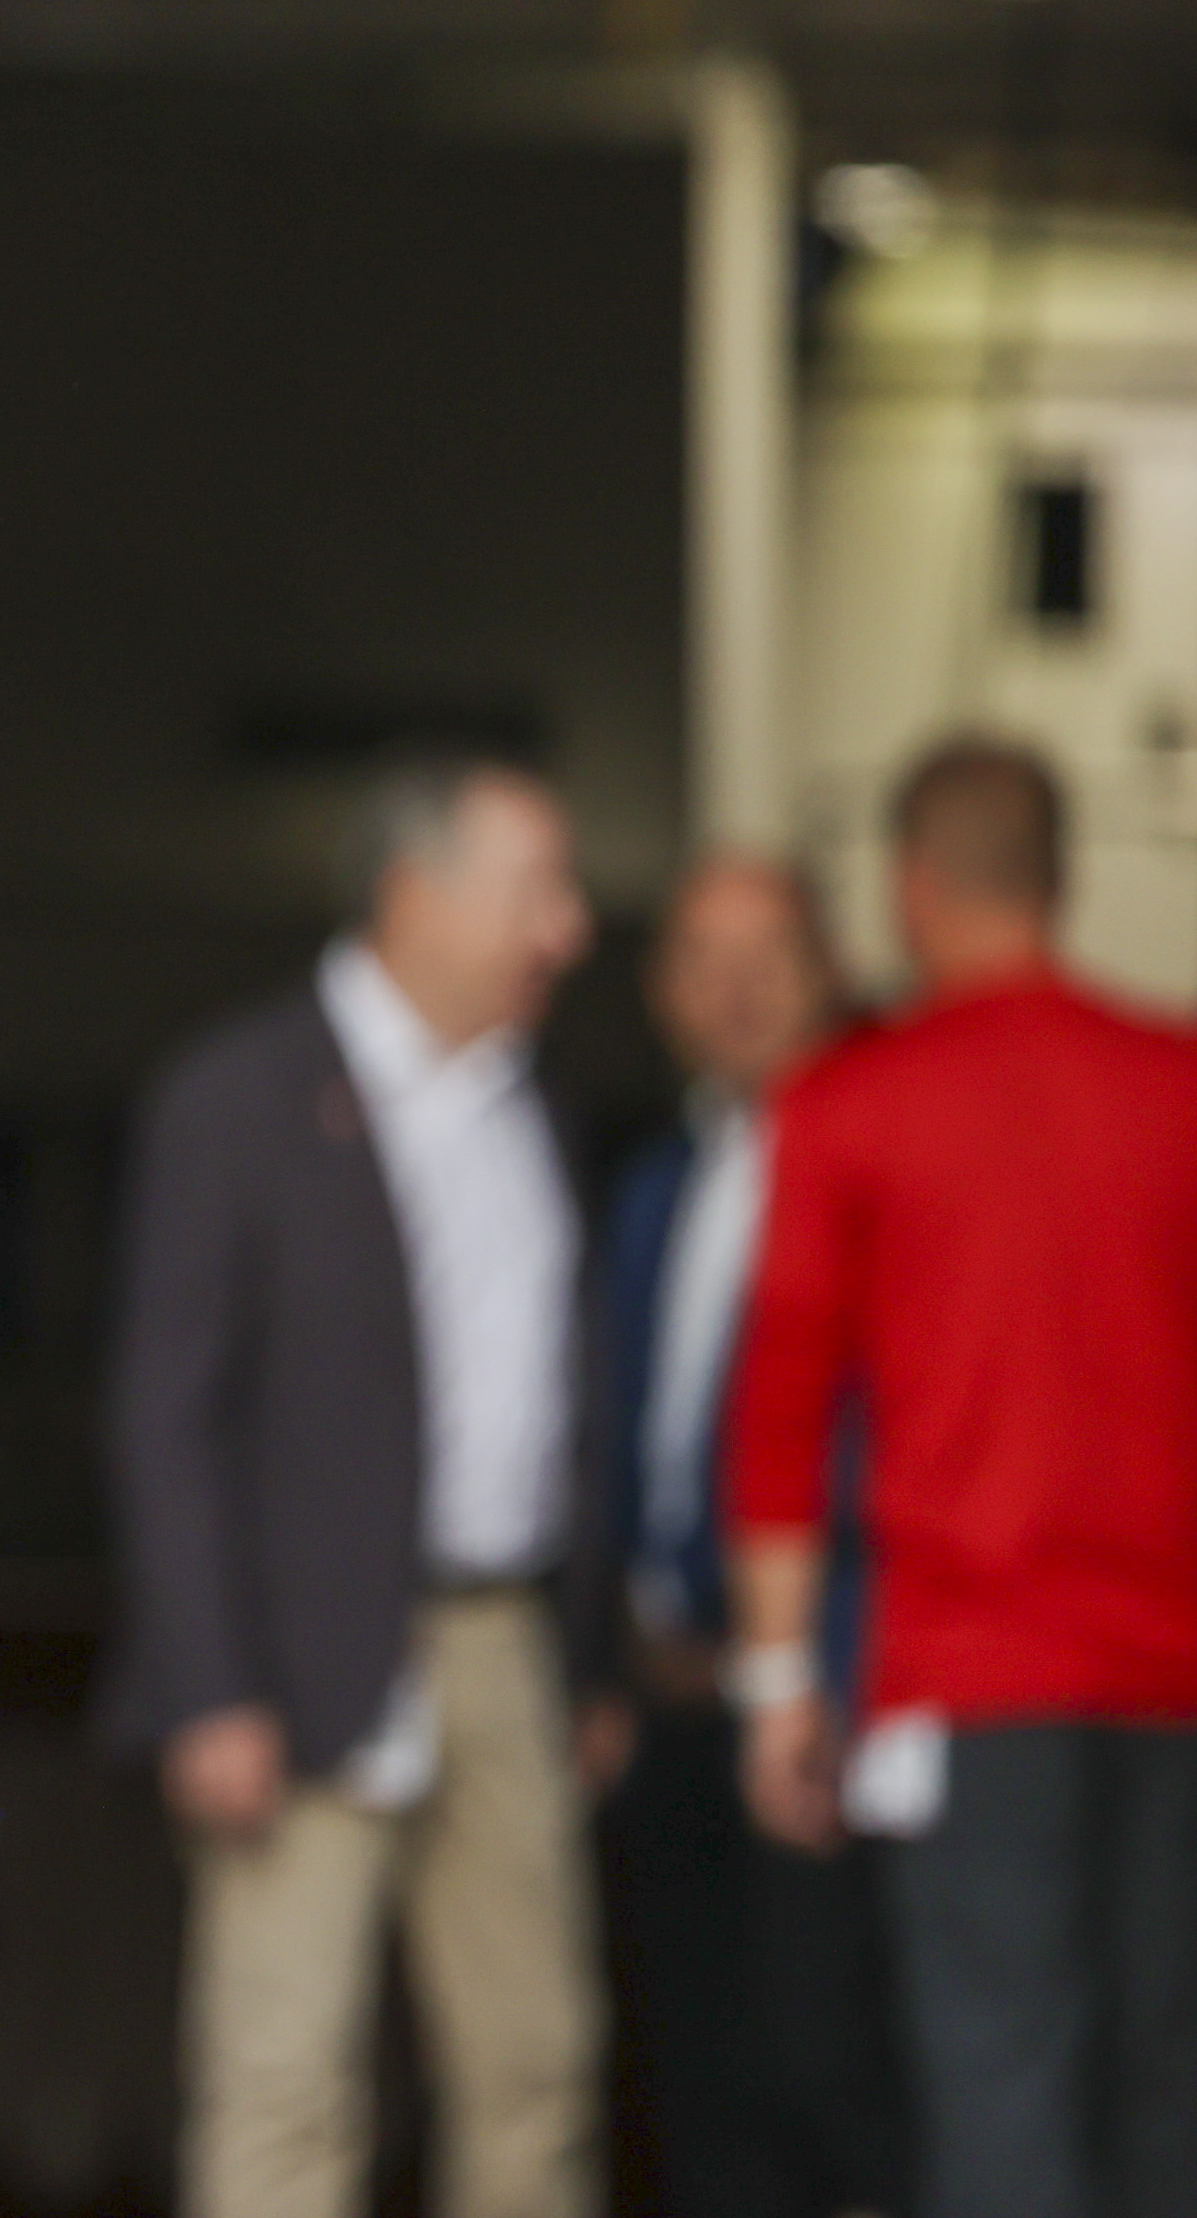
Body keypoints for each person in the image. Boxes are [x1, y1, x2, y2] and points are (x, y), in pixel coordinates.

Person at [103, 754, 617, 2218]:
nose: (571, 930)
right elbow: (164, 1415)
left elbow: (569, 1405)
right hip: (295, 1655)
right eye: (540, 891)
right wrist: (208, 1685)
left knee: (537, 2068)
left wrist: (581, 1658)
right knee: (285, 2081)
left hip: (503, 1646)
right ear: (415, 897)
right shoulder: (237, 1097)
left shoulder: (538, 1113)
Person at [726, 737, 1197, 2218]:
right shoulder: (1177, 1086)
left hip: (972, 1674)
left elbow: (782, 1411)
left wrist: (778, 1683)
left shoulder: (854, 1102)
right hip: (1177, 1679)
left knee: (1001, 2084)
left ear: (912, 890)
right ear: (1061, 879)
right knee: (1160, 2085)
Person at [598, 853, 906, 2218]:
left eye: (766, 952)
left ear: (829, 965)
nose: (735, 989)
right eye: (701, 960)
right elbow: (610, 1441)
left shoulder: (894, 1168)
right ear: (666, 994)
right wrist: (601, 1668)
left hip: (826, 1696)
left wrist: (830, 1663)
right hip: (665, 1708)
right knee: (699, 2081)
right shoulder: (660, 1182)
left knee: (832, 2077)